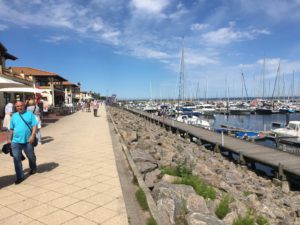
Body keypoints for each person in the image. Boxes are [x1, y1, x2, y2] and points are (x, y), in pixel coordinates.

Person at [8, 101, 38, 184]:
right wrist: (9, 139)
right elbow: (11, 129)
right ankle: (20, 176)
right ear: (15, 107)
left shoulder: (30, 114)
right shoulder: (14, 116)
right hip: (15, 141)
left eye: (21, 106)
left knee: (31, 156)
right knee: (16, 159)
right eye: (17, 106)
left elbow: (34, 125)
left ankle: (33, 168)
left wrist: (32, 135)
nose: (20, 107)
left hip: (28, 140)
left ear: (24, 106)